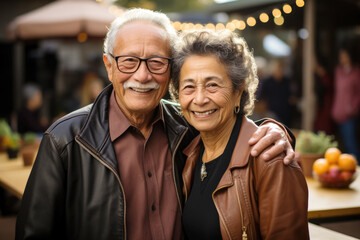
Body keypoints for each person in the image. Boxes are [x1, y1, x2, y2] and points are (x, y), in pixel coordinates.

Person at [16, 9, 295, 240]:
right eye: (128, 61)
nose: (142, 75)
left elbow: (230, 128)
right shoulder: (65, 140)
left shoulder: (187, 130)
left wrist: (275, 131)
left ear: (170, 69)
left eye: (156, 62)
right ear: (109, 66)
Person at [170, 29, 309, 239]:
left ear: (238, 91)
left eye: (212, 85)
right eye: (188, 87)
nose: (199, 99)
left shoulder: (270, 158)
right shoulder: (189, 153)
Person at [332, 47, 360, 162]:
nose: (342, 58)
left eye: (344, 56)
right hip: (338, 114)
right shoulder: (338, 71)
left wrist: (351, 108)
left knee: (351, 145)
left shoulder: (356, 72)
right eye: (340, 56)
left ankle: (357, 169)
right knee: (341, 147)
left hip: (349, 116)